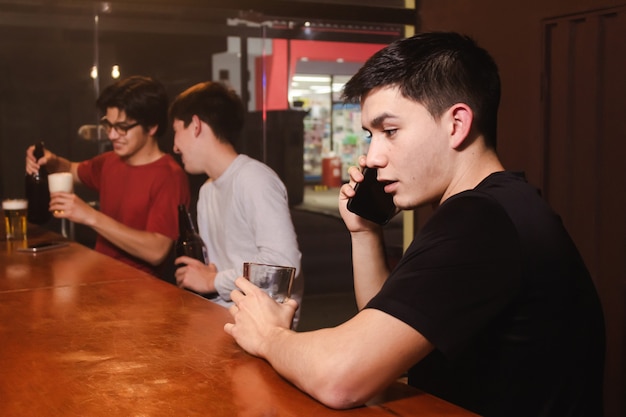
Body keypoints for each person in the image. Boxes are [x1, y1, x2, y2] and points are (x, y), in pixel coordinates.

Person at [223, 32, 605, 416]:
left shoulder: (481, 219)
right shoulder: (501, 204)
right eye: (370, 135)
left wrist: (270, 336)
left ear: (456, 124)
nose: (372, 156)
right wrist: (364, 231)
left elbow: (341, 376)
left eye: (390, 131)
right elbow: (389, 332)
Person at [25, 75, 190, 279]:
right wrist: (50, 161)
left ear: (152, 126)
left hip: (142, 293)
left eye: (122, 127)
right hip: (100, 280)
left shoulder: (169, 176)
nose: (112, 135)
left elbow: (156, 252)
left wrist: (90, 216)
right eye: (108, 125)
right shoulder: (111, 161)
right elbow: (71, 170)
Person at [169, 81, 303, 314]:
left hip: (261, 325)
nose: (175, 147)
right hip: (222, 317)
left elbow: (283, 264)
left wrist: (212, 281)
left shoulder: (253, 178)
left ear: (196, 125)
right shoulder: (207, 190)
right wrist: (203, 275)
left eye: (176, 131)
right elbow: (218, 268)